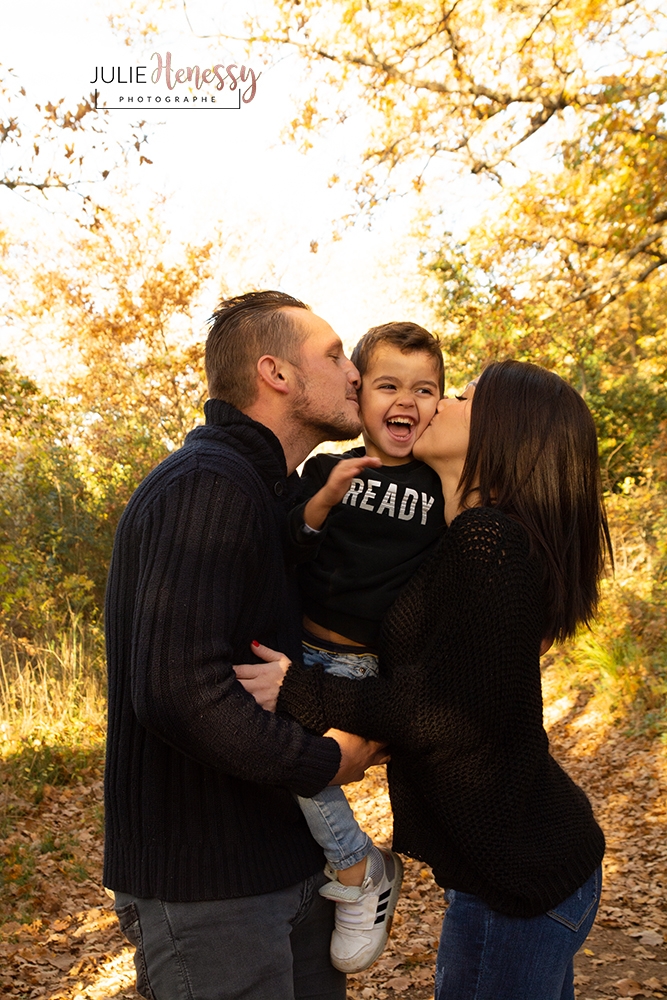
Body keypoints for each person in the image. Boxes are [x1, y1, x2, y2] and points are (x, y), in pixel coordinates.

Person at [238, 360, 611, 1000]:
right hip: (504, 871)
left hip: (521, 878)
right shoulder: (463, 538)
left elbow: (443, 711)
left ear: (505, 436)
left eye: (465, 397)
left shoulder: (487, 540)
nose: (444, 401)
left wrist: (298, 689)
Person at [103, 290, 388, 1000]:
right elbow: (177, 690)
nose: (354, 371)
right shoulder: (206, 485)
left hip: (286, 868)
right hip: (211, 892)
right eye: (332, 355)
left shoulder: (266, 494)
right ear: (276, 374)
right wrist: (326, 759)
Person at [290, 322, 445, 973]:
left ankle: (357, 872)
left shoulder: (439, 486)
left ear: (439, 403)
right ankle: (356, 864)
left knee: (297, 763)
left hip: (357, 664)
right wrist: (321, 501)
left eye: (424, 389)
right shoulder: (328, 467)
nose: (405, 400)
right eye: (388, 385)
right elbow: (284, 548)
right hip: (297, 646)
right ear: (359, 397)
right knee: (267, 759)